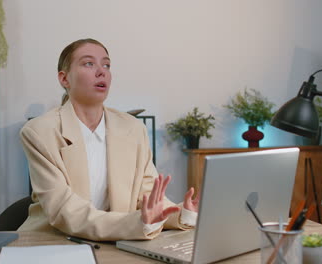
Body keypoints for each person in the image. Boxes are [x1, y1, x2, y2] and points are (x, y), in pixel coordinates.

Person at [19, 38, 199, 241]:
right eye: (89, 63)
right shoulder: (39, 131)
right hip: (52, 243)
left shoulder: (133, 128)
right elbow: (63, 210)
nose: (101, 71)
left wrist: (183, 213)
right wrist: (135, 224)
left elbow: (148, 198)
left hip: (116, 244)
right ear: (64, 79)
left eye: (106, 65)